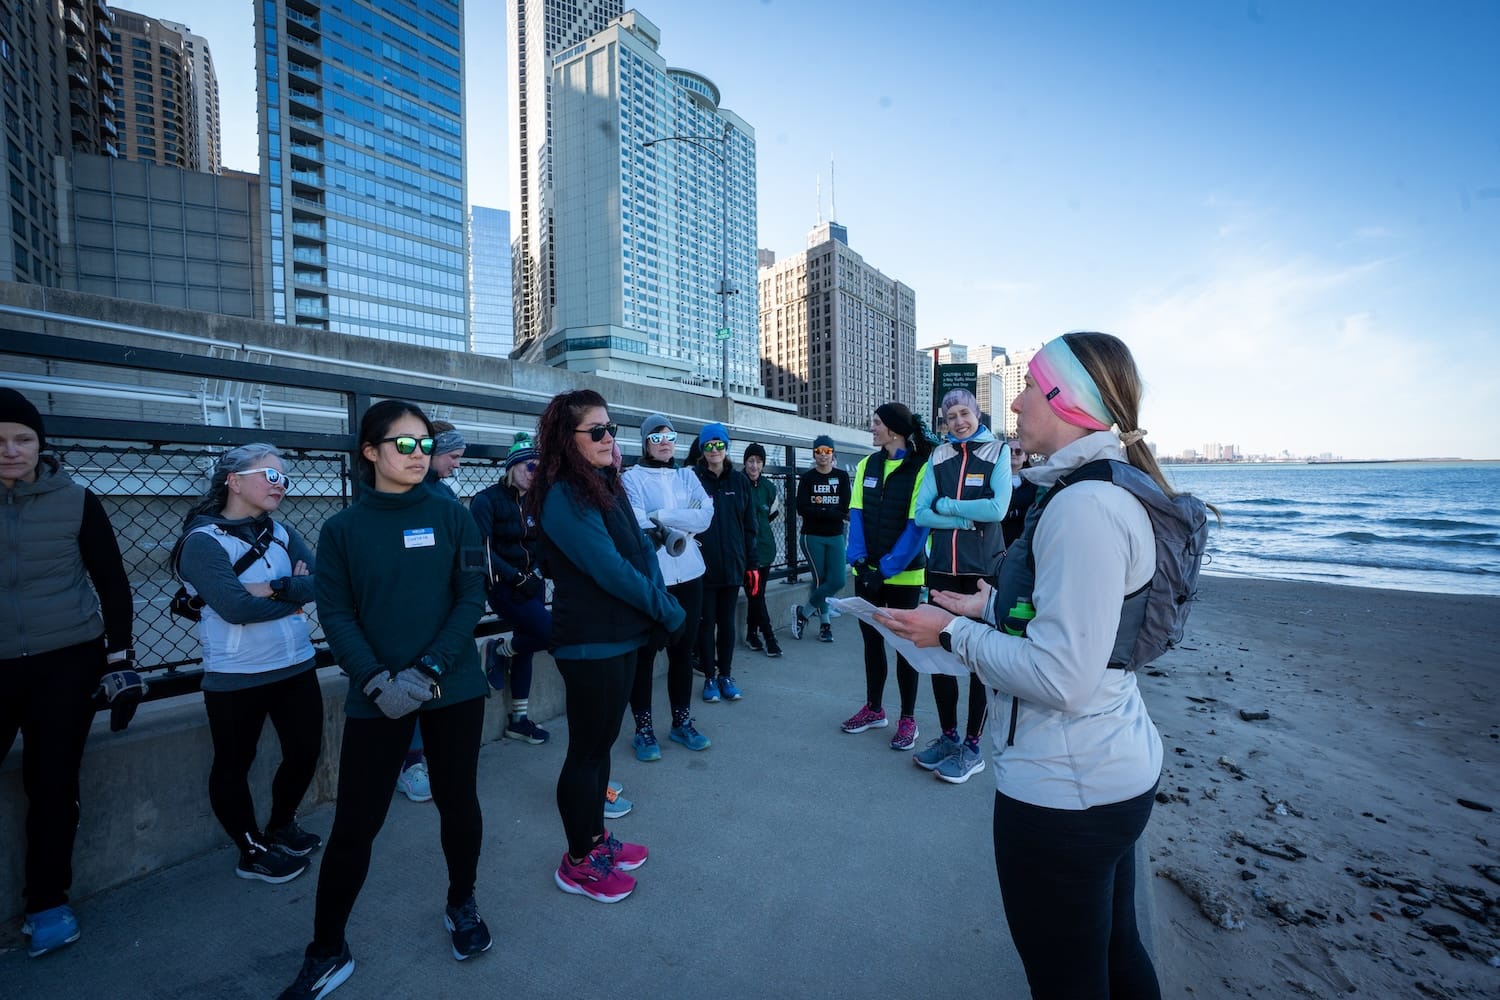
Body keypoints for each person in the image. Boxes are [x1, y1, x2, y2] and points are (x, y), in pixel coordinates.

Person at [877, 332, 1167, 998]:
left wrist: (950, 632)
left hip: (1069, 788)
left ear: (1069, 402)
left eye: (1030, 389)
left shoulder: (1085, 506)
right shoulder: (1095, 488)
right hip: (1106, 767)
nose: (1015, 408)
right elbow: (1076, 619)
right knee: (1116, 953)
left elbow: (1062, 677)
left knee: (1070, 978)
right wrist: (988, 604)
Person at [278, 400, 490, 999]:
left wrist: (427, 670)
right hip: (377, 697)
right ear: (370, 452)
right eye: (404, 445)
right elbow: (337, 613)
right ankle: (326, 948)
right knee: (355, 825)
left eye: (425, 444)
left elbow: (471, 599)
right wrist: (374, 680)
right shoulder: (341, 530)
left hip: (453, 688)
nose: (418, 455)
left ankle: (462, 903)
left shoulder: (457, 517)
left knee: (459, 804)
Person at [0, 388, 138, 959]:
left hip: (67, 661)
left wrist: (121, 660)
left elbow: (111, 581)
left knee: (54, 786)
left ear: (40, 443)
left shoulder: (77, 499)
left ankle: (48, 903)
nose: (11, 451)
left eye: (22, 439)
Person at [530, 390, 683, 904]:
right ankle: (577, 861)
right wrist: (665, 609)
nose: (608, 438)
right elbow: (609, 569)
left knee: (601, 749)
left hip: (621, 635)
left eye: (611, 429)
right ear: (565, 440)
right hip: (589, 641)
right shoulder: (562, 494)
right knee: (586, 752)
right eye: (596, 431)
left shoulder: (601, 484)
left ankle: (596, 840)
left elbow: (640, 549)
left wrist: (658, 600)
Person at [175, 443, 324, 884]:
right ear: (234, 481)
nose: (281, 485)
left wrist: (272, 588)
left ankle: (281, 824)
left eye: (284, 478)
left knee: (304, 751)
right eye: (270, 476)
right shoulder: (202, 541)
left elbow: (319, 583)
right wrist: (290, 596)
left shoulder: (281, 531)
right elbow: (234, 608)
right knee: (234, 762)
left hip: (295, 663)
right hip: (236, 675)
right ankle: (251, 849)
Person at [912, 390, 1010, 784]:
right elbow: (921, 514)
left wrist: (949, 507)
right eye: (950, 416)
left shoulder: (997, 452)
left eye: (964, 412)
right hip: (941, 570)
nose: (958, 421)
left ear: (977, 412)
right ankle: (949, 737)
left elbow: (997, 509)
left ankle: (972, 746)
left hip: (982, 571)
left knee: (977, 660)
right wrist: (963, 520)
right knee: (941, 658)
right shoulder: (939, 456)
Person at [621, 413, 714, 760]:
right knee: (645, 655)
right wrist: (675, 516)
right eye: (656, 437)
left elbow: (704, 516)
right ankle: (643, 729)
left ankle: (681, 721)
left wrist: (661, 514)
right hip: (654, 574)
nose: (664, 443)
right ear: (645, 442)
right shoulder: (631, 478)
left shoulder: (687, 475)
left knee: (683, 651)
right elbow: (636, 520)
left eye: (670, 436)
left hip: (690, 572)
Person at [843, 402, 931, 751]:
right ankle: (874, 709)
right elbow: (857, 516)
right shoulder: (868, 464)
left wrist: (887, 569)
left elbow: (916, 528)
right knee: (871, 643)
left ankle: (908, 718)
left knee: (905, 648)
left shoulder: (921, 469)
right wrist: (860, 563)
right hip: (868, 573)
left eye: (877, 423)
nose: (872, 427)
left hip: (904, 576)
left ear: (894, 429)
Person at [397, 420, 468, 802]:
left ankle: (427, 757)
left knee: (438, 684)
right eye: (453, 457)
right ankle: (410, 764)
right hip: (410, 609)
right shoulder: (402, 494)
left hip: (445, 604)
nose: (457, 465)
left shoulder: (444, 494)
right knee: (411, 684)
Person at [470, 433, 550, 745]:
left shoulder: (537, 500)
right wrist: (515, 576)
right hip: (504, 587)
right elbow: (481, 549)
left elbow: (546, 543)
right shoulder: (486, 500)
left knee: (525, 647)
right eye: (531, 467)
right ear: (512, 467)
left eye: (541, 470)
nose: (536, 474)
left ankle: (518, 720)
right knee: (548, 634)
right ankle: (497, 651)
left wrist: (537, 573)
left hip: (534, 583)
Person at [692, 423, 756, 704]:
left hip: (732, 566)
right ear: (702, 449)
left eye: (719, 445)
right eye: (709, 445)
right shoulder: (693, 479)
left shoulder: (739, 481)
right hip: (703, 566)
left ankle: (725, 675)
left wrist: (751, 563)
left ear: (726, 447)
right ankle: (709, 676)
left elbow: (750, 525)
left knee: (727, 624)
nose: (714, 450)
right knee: (706, 624)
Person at [790, 434, 851, 643]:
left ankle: (803, 613)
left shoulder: (842, 477)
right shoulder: (808, 478)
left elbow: (844, 507)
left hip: (835, 535)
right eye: (819, 451)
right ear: (814, 454)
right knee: (820, 580)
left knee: (837, 580)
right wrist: (830, 511)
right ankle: (825, 624)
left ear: (832, 453)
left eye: (827, 451)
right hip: (812, 536)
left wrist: (821, 509)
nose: (823, 455)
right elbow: (802, 508)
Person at [739, 442, 783, 657]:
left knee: (757, 594)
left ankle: (751, 634)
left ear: (763, 464)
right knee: (756, 595)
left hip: (765, 549)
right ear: (744, 463)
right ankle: (769, 638)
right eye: (750, 461)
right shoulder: (737, 484)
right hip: (746, 553)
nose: (754, 466)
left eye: (758, 461)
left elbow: (773, 515)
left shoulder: (769, 487)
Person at [1000, 437, 1038, 548]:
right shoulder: (993, 480)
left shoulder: (1035, 481)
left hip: (1024, 540)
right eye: (1009, 451)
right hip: (999, 540)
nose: (1013, 454)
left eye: (1018, 451)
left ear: (1026, 457)